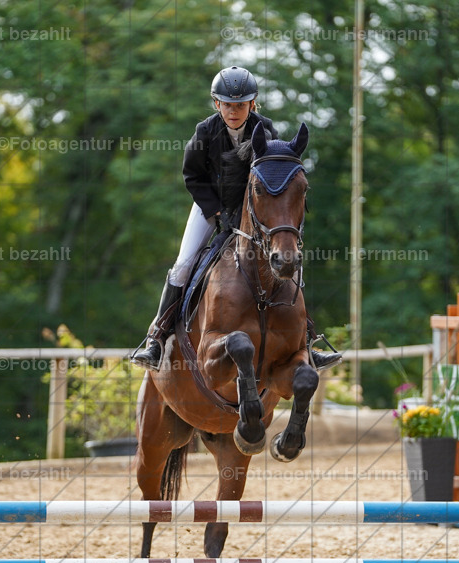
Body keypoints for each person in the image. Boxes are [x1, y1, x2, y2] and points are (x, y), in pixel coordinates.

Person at [131, 66, 341, 372]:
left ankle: (308, 341)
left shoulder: (265, 129)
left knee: (290, 263)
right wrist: (216, 211)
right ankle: (156, 339)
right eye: (228, 104)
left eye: (241, 105)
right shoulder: (205, 132)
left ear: (252, 105)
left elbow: (276, 177)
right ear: (217, 104)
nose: (234, 111)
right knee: (184, 263)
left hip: (256, 210)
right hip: (211, 205)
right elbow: (192, 176)